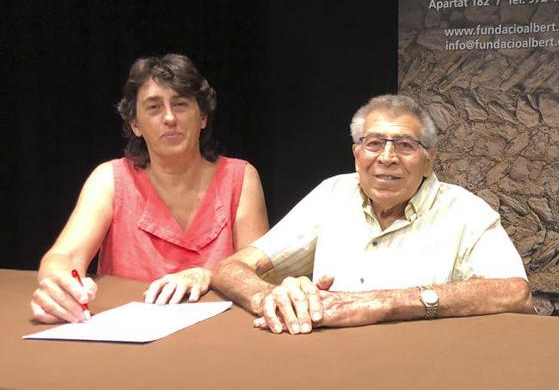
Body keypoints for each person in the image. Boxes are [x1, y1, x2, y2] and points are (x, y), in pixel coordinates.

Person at [213, 94, 532, 334]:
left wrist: (382, 303)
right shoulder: (333, 194)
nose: (387, 157)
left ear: (429, 160)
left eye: (405, 145)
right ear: (356, 155)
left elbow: (516, 293)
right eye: (374, 143)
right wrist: (273, 297)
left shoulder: (466, 212)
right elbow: (232, 269)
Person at [31, 54, 269, 324]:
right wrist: (59, 287)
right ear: (135, 124)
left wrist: (208, 275)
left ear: (202, 116)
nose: (169, 118)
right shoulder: (109, 180)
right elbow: (64, 256)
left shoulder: (240, 178)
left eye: (180, 104)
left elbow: (257, 272)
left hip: (221, 335)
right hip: (128, 339)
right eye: (154, 107)